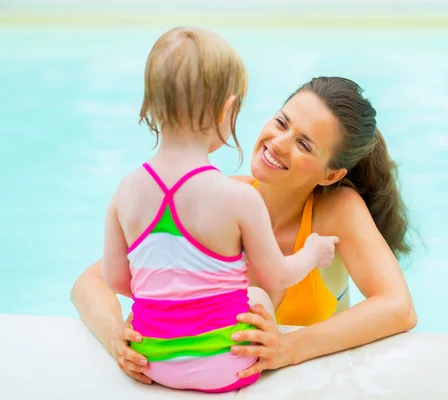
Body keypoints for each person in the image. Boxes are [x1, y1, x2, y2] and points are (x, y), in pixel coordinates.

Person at [71, 75, 418, 386]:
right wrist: (116, 336)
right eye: (282, 122)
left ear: (329, 175)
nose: (279, 142)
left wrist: (289, 347)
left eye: (304, 144)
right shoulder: (226, 197)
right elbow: (91, 281)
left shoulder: (336, 210)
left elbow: (398, 307)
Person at [99, 27, 338, 393]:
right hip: (227, 366)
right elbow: (276, 277)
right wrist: (312, 253)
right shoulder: (238, 198)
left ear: (150, 105)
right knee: (256, 296)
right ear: (227, 109)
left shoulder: (126, 191)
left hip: (151, 360)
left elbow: (116, 279)